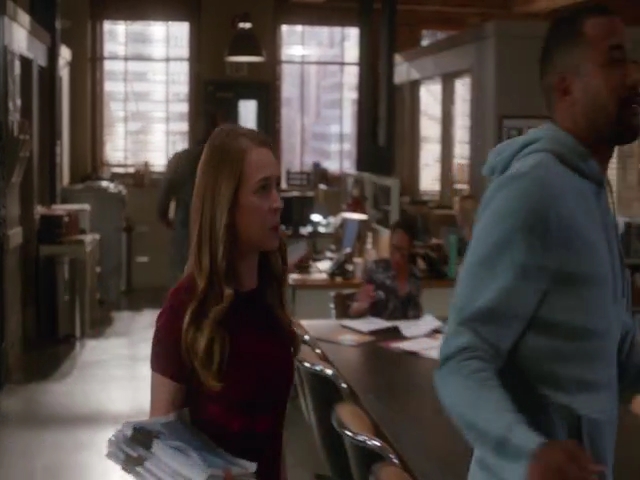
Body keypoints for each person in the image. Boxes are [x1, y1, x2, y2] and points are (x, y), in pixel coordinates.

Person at [434, 4, 640, 480]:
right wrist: (529, 453)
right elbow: (461, 358)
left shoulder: (589, 192)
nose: (633, 75)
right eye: (614, 60)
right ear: (566, 87)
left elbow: (615, 349)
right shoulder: (534, 190)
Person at [150, 125, 300, 480]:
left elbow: (273, 439)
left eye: (277, 187)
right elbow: (161, 453)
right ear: (226, 205)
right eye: (263, 189)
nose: (277, 202)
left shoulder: (268, 296)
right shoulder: (185, 312)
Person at [157, 115, 221, 285]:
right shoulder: (222, 164)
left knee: (183, 282)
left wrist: (167, 219)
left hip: (185, 231)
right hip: (216, 232)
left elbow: (163, 201)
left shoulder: (180, 160)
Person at [349, 219, 422, 319]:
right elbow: (354, 310)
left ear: (410, 250)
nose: (397, 256)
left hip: (407, 328)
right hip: (378, 328)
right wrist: (362, 306)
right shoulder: (376, 270)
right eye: (394, 248)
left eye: (402, 251)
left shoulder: (414, 275)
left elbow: (415, 313)